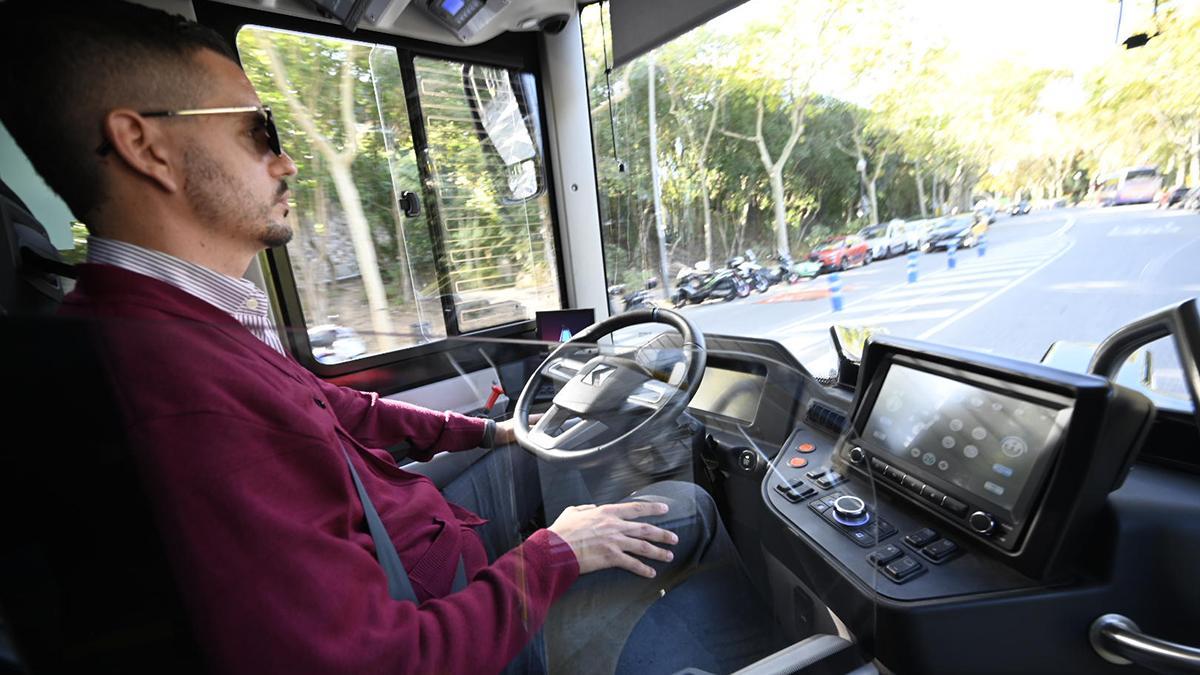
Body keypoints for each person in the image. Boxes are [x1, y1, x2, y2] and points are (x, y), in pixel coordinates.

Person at [0, 2, 780, 673]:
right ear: (146, 146)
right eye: (256, 129)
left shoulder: (181, 325)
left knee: (548, 453)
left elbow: (349, 419)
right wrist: (555, 554)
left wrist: (491, 429)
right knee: (682, 503)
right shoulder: (180, 391)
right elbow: (378, 661)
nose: (287, 157)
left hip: (424, 550)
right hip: (449, 622)